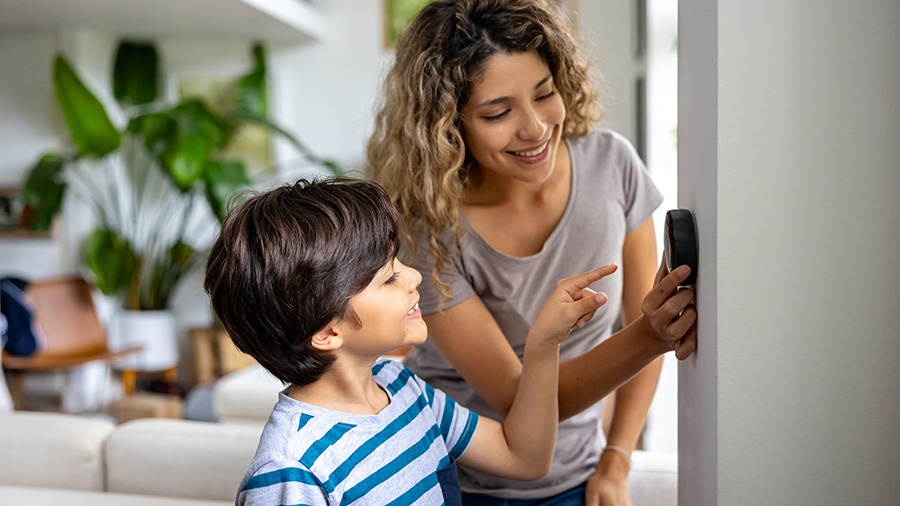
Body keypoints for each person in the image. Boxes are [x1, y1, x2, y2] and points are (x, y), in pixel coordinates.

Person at [367, 1, 697, 504]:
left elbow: (641, 315)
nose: (536, 128)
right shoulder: (427, 227)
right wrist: (649, 337)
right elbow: (518, 397)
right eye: (498, 113)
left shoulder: (612, 166)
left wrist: (617, 458)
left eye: (544, 94)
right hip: (447, 477)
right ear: (448, 125)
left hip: (575, 474)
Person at [204, 178, 654, 505]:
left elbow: (525, 458)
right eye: (389, 278)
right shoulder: (289, 470)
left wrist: (543, 345)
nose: (415, 277)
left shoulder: (402, 387)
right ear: (327, 332)